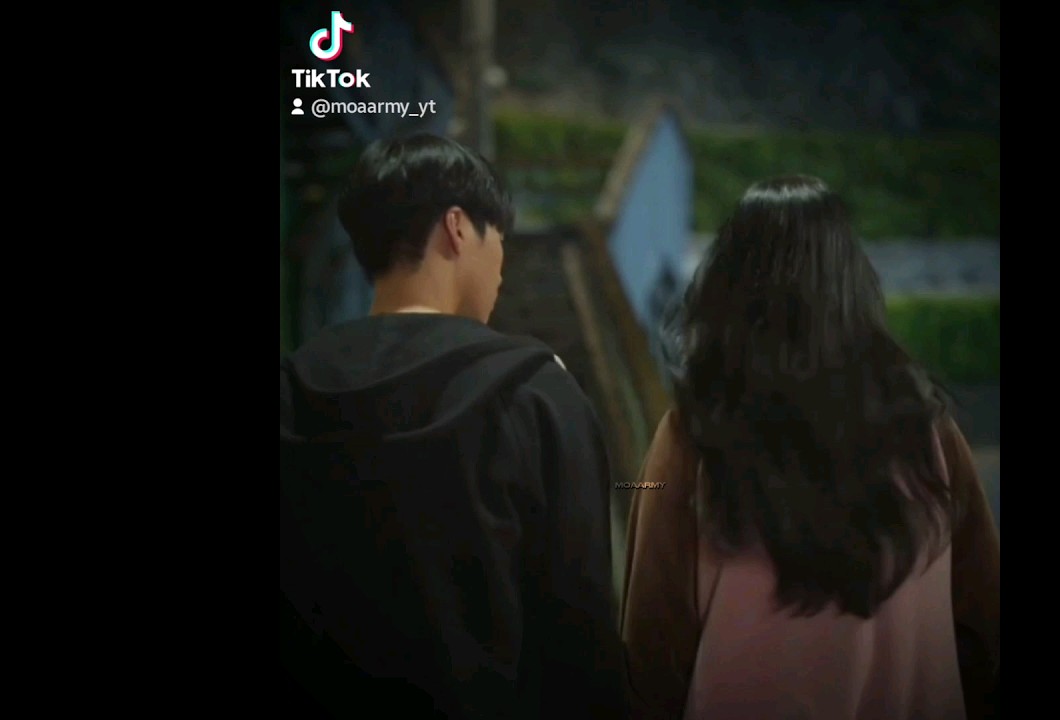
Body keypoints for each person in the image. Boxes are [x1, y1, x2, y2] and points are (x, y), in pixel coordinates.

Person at [620, 176, 1000, 719]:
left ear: (727, 286)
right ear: (853, 287)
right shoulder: (929, 435)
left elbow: (651, 650)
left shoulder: (691, 437)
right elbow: (983, 626)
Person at [280, 131, 626, 718]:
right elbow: (578, 633)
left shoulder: (293, 387)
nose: (501, 267)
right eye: (500, 239)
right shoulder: (533, 392)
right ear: (458, 227)